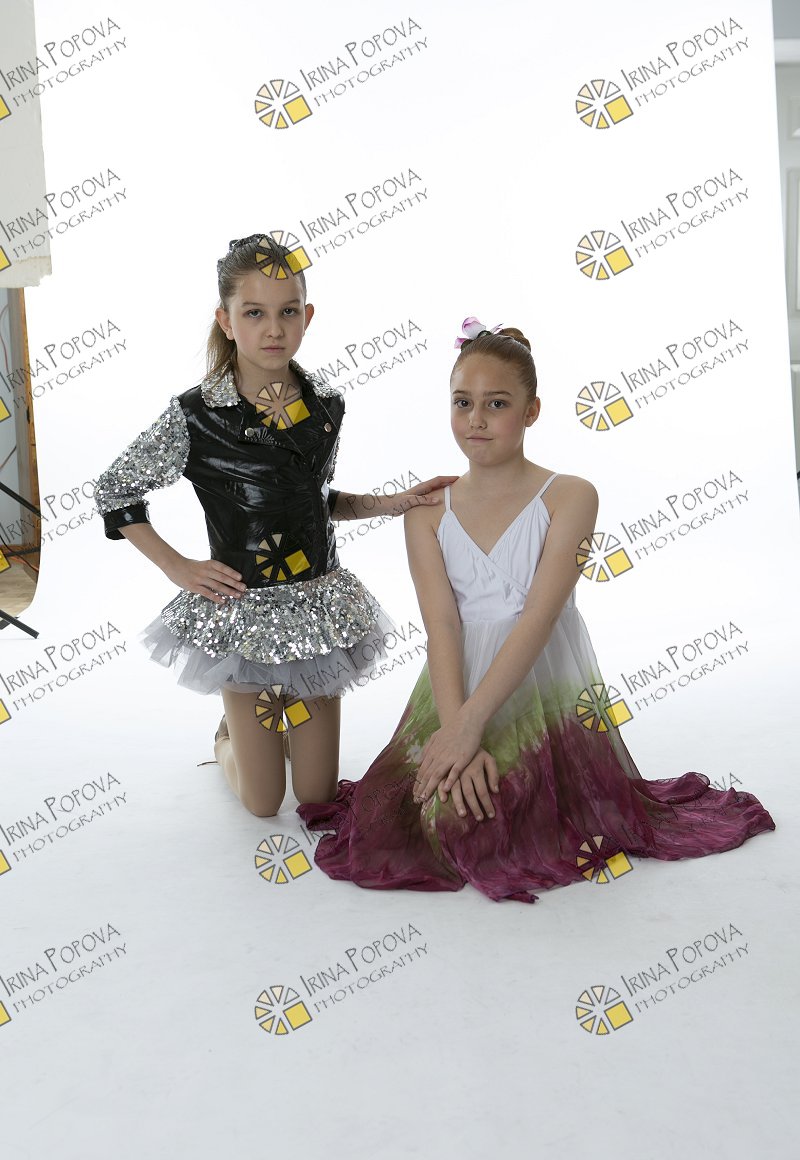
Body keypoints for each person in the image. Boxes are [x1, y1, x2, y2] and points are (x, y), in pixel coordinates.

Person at [296, 318, 776, 904]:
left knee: (495, 819)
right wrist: (454, 730)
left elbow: (539, 618)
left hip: (540, 686)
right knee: (433, 817)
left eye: (496, 404)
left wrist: (472, 729)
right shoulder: (426, 512)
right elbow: (442, 626)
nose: (476, 418)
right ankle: (232, 743)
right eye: (463, 402)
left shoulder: (571, 496)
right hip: (456, 688)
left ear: (531, 411)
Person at [93, 233, 455, 818]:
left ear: (307, 317)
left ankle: (275, 733)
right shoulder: (196, 416)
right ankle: (228, 740)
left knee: (315, 797)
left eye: (288, 312)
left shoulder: (326, 406)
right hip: (244, 610)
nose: (273, 329)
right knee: (264, 802)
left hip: (316, 609)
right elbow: (115, 489)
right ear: (226, 320)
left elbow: (313, 499)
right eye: (254, 313)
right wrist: (177, 566)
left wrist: (390, 503)